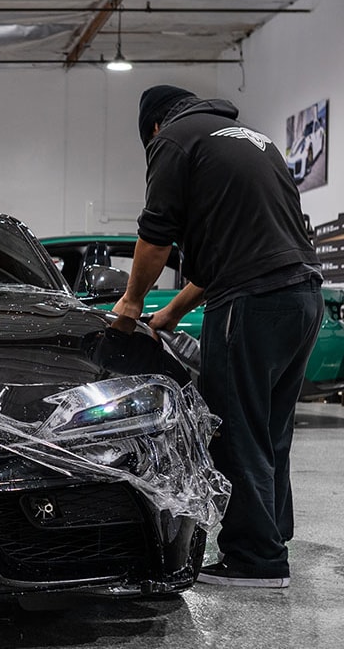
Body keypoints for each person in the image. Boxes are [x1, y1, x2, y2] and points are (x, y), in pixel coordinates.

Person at [111, 85, 323, 589]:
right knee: (270, 428)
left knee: (233, 427)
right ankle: (273, 536)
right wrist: (171, 312)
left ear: (154, 126)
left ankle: (255, 560)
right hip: (301, 297)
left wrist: (132, 304)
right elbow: (222, 257)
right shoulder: (255, 140)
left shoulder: (175, 140)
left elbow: (156, 232)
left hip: (251, 301)